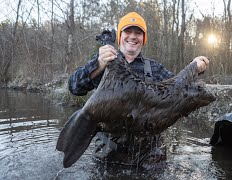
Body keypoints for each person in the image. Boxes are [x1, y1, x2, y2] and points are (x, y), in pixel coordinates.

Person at [68, 12, 209, 168]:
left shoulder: (155, 68)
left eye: (138, 33)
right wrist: (99, 65)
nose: (133, 36)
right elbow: (74, 87)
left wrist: (195, 67)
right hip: (110, 152)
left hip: (150, 154)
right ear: (120, 36)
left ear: (143, 38)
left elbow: (178, 90)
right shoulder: (103, 62)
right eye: (128, 31)